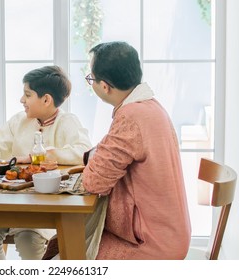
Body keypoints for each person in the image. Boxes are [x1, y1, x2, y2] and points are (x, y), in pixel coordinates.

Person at [0, 65, 92, 260]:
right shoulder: (19, 121)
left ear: (46, 99)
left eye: (27, 94)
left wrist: (46, 156)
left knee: (28, 240)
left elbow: (84, 152)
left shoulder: (67, 122)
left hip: (45, 208)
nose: (21, 100)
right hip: (8, 202)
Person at [81, 41, 191, 259]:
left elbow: (94, 182)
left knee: (71, 249)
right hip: (171, 234)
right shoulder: (151, 106)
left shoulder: (130, 117)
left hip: (150, 244)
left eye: (91, 78)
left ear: (105, 86)